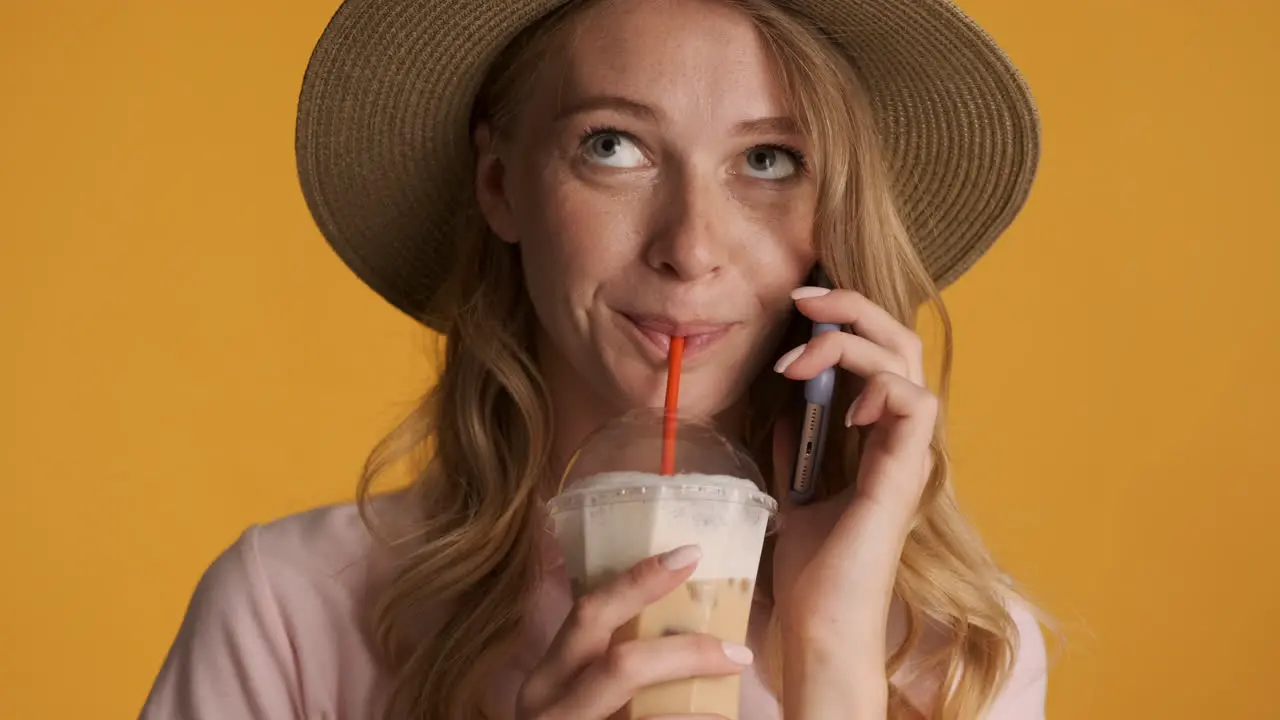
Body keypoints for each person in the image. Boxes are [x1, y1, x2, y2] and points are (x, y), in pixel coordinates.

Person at [142, 0, 1049, 717]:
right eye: (613, 147)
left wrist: (832, 667)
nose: (691, 248)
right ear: (501, 185)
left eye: (769, 159)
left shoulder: (953, 653)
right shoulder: (291, 610)